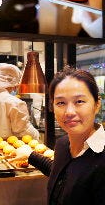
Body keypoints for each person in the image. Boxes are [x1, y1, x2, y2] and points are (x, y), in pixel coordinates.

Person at [11, 66, 105, 205]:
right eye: (61, 103)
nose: (69, 112)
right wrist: (31, 155)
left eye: (79, 101)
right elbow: (63, 174)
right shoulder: (62, 144)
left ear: (97, 104)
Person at [0, 63, 39, 139]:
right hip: (6, 148)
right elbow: (23, 131)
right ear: (14, 84)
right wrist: (36, 134)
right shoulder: (15, 103)